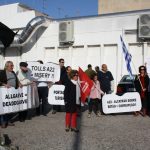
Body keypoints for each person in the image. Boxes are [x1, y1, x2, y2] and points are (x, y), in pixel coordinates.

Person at [0, 61, 21, 128]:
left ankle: (8, 121)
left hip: (12, 93)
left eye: (13, 65)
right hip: (5, 94)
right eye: (11, 65)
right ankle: (3, 122)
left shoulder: (13, 72)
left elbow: (16, 80)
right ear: (7, 66)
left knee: (11, 108)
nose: (13, 67)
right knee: (4, 108)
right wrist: (4, 84)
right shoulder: (2, 72)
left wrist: (19, 83)